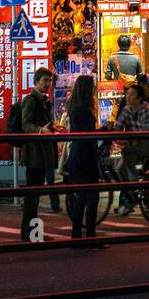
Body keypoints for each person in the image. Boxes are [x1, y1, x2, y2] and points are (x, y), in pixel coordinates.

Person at [64, 74, 104, 247]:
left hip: (77, 156)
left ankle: (76, 236)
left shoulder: (74, 108)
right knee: (92, 198)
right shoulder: (84, 111)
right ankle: (90, 237)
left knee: (80, 198)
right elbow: (89, 135)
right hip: (86, 156)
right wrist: (104, 131)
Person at [20, 68, 58, 242]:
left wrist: (52, 128)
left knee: (34, 194)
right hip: (34, 152)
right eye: (45, 81)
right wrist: (41, 130)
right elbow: (25, 125)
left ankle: (32, 232)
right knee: (32, 194)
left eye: (50, 81)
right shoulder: (30, 100)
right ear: (36, 81)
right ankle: (30, 232)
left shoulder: (43, 100)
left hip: (41, 152)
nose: (48, 84)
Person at [114, 83, 149, 216]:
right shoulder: (127, 109)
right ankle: (130, 195)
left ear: (139, 98)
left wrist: (127, 141)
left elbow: (145, 133)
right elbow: (119, 125)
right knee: (120, 168)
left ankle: (134, 193)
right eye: (127, 94)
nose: (128, 97)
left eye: (131, 94)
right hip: (135, 144)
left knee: (128, 155)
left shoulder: (147, 110)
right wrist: (113, 136)